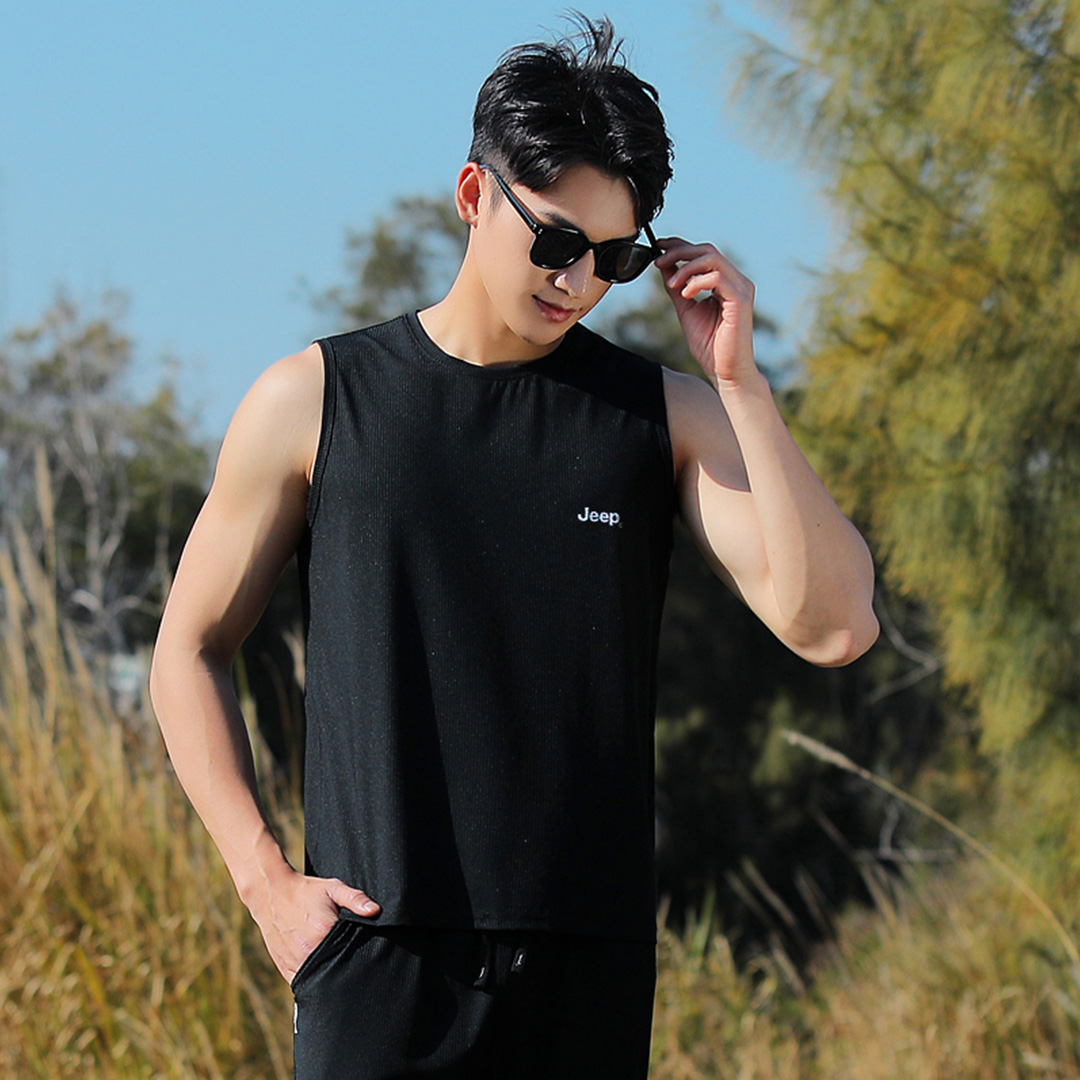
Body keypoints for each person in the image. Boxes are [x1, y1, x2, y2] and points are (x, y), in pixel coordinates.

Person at [149, 15, 878, 1079]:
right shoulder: (315, 400)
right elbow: (186, 650)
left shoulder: (662, 418)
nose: (576, 281)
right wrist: (265, 884)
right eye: (556, 241)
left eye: (613, 259)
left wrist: (742, 387)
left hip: (588, 974)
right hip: (377, 962)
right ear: (473, 194)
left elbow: (836, 626)